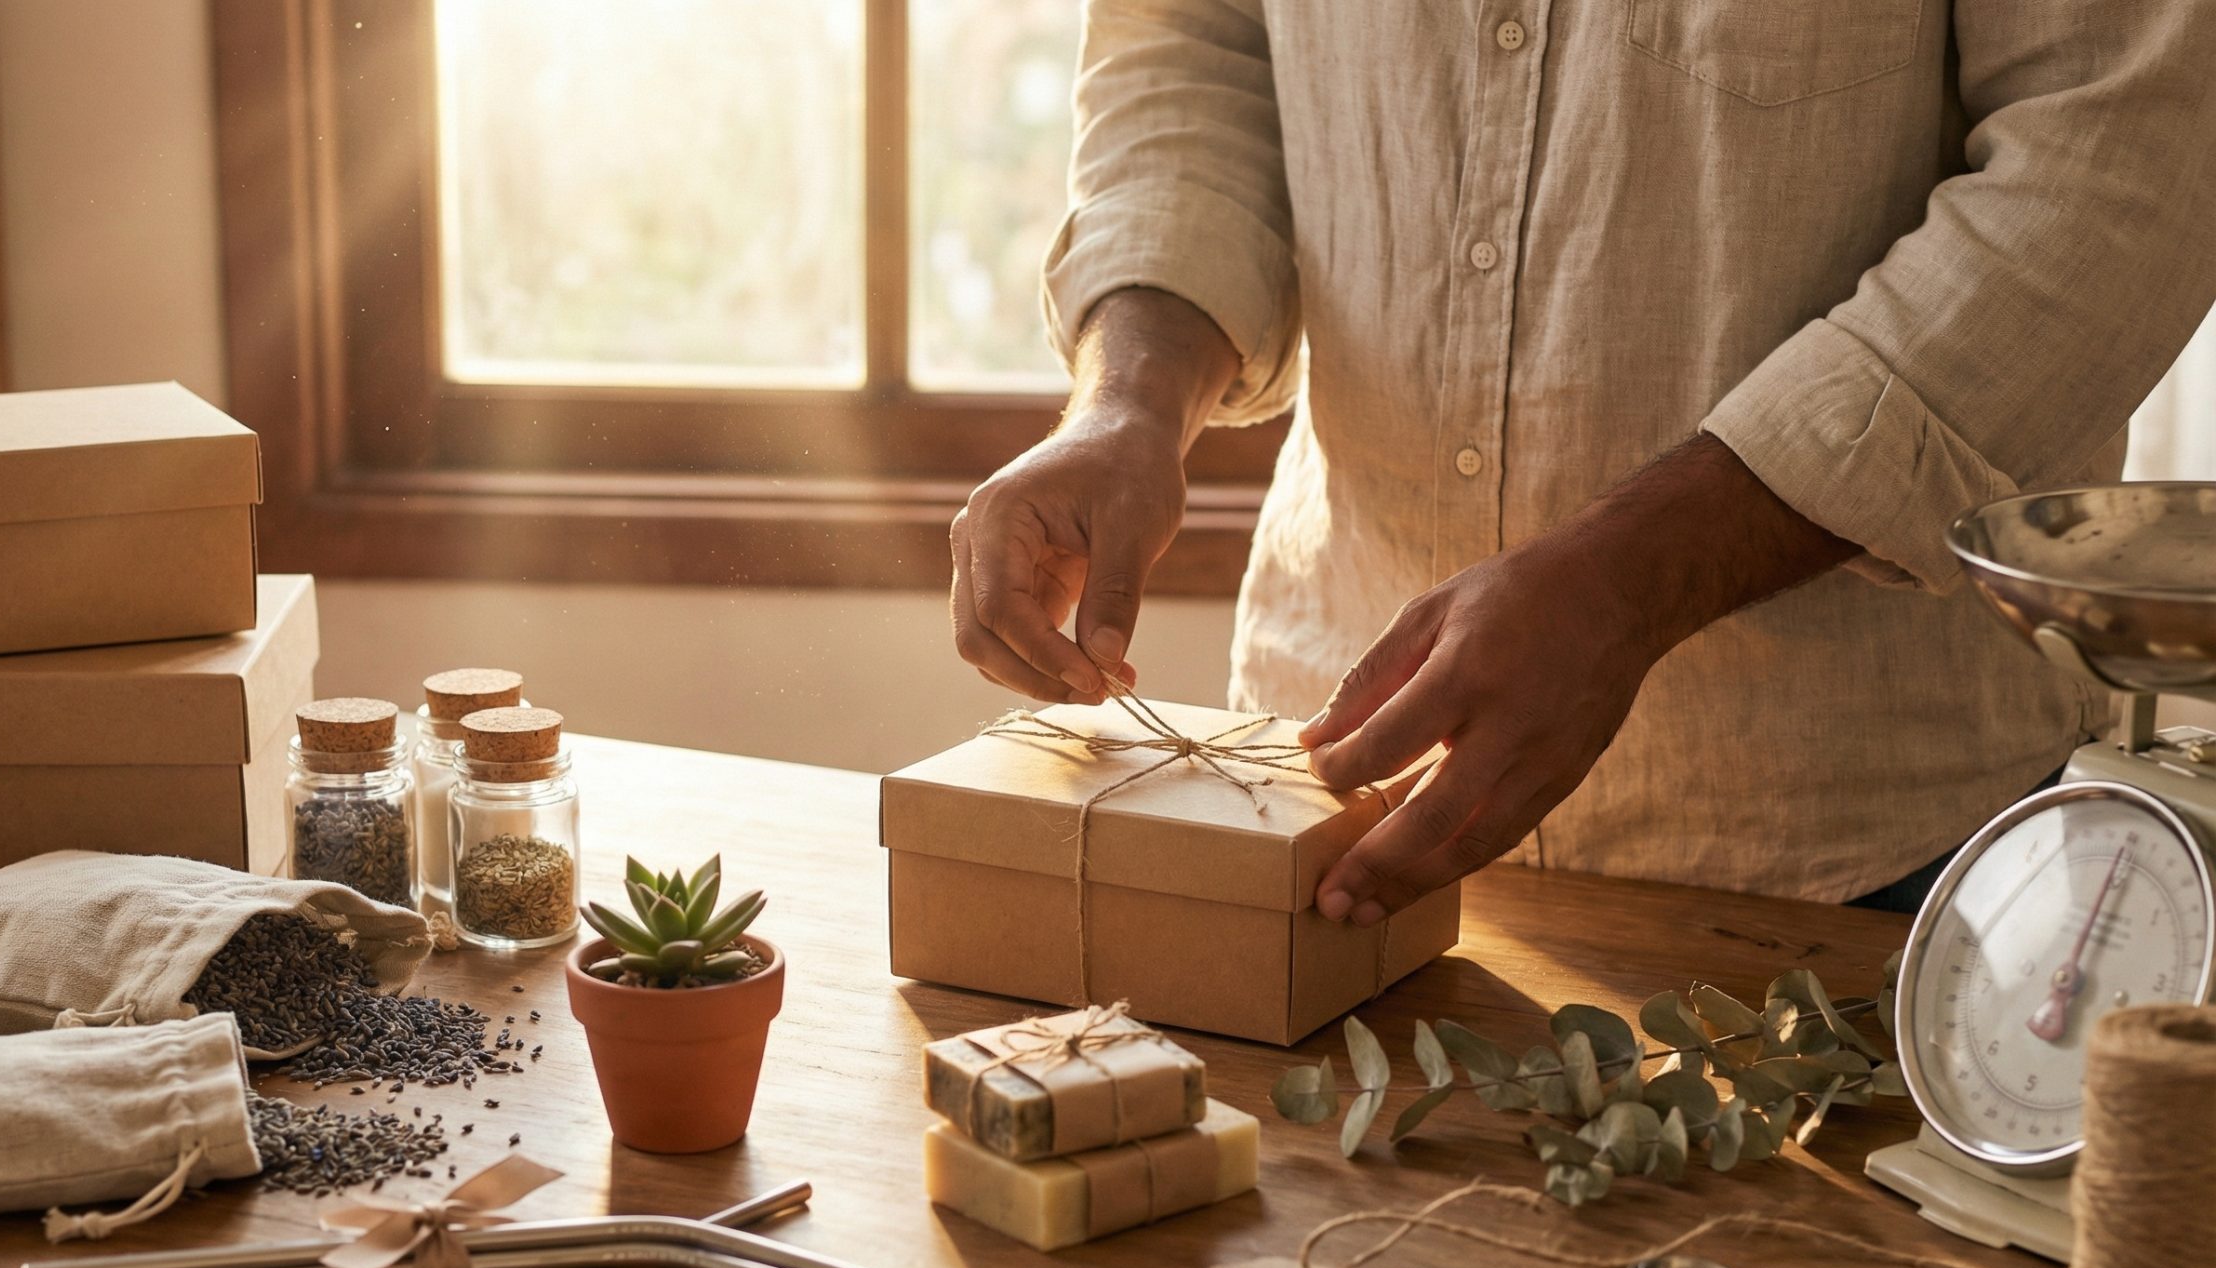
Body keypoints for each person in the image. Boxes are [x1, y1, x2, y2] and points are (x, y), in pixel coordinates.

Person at [947, 2, 2216, 920]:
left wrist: (1626, 581)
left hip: (1864, 861)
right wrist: (1129, 397)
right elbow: (1196, 44)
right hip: (1331, 791)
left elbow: (2118, 169)